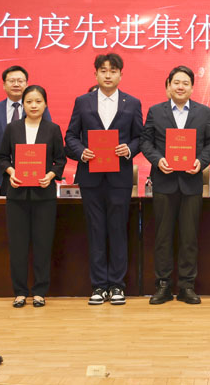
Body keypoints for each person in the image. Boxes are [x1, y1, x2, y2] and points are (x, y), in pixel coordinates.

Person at [64, 53, 143, 306]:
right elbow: (70, 136)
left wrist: (129, 149)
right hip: (91, 177)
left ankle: (117, 285)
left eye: (113, 71)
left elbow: (140, 137)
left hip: (120, 177)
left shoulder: (132, 103)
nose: (108, 75)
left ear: (121, 74)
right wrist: (81, 152)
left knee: (118, 230)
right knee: (96, 230)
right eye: (103, 70)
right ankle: (99, 285)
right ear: (96, 74)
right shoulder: (82, 102)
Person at [140, 66, 210, 305]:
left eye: (185, 83)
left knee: (189, 237)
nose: (180, 87)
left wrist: (201, 162)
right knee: (163, 236)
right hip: (164, 182)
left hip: (191, 183)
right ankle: (163, 285)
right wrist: (157, 160)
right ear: (169, 85)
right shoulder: (155, 111)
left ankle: (186, 286)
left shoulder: (204, 112)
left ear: (192, 87)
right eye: (176, 82)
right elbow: (145, 142)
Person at [0, 85, 66, 308]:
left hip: (44, 196)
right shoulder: (12, 128)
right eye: (29, 102)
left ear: (45, 104)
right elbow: (2, 157)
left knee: (42, 245)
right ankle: (19, 292)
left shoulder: (53, 129)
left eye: (38, 101)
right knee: (18, 246)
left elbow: (60, 160)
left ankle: (39, 292)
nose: (33, 105)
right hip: (16, 196)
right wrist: (11, 172)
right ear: (23, 105)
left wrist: (51, 175)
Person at [0, 65, 51, 186]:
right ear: (4, 85)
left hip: (32, 173)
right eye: (12, 81)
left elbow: (48, 139)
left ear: (26, 84)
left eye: (20, 81)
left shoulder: (38, 109)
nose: (16, 84)